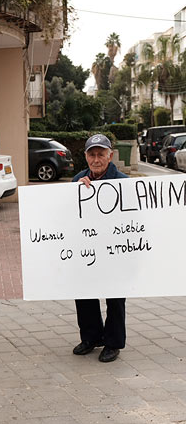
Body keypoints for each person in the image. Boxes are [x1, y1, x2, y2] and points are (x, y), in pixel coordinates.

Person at [72, 134, 127, 363]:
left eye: (101, 154)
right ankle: (91, 337)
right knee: (84, 292)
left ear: (110, 156)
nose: (96, 159)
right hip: (87, 248)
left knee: (115, 298)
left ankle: (113, 343)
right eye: (92, 154)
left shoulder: (124, 182)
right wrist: (77, 190)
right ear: (86, 157)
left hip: (115, 250)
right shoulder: (78, 179)